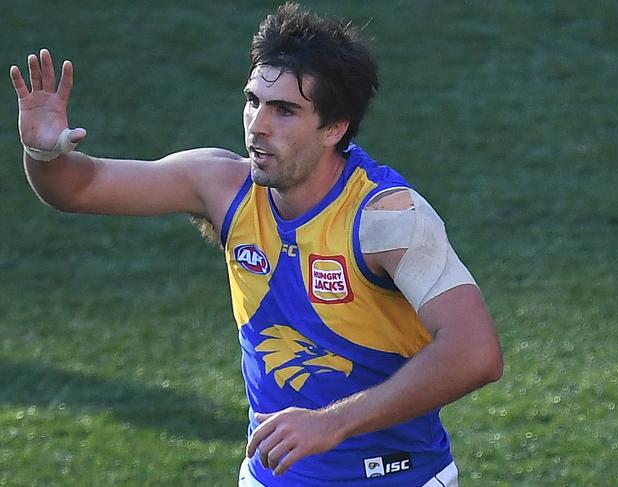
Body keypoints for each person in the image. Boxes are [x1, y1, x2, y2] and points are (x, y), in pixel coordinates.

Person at [10, 3, 502, 486]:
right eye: (253, 101)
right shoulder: (222, 186)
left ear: (335, 127)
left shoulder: (388, 219)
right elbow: (77, 188)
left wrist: (330, 423)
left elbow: (475, 352)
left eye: (284, 110)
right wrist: (42, 151)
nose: (257, 125)